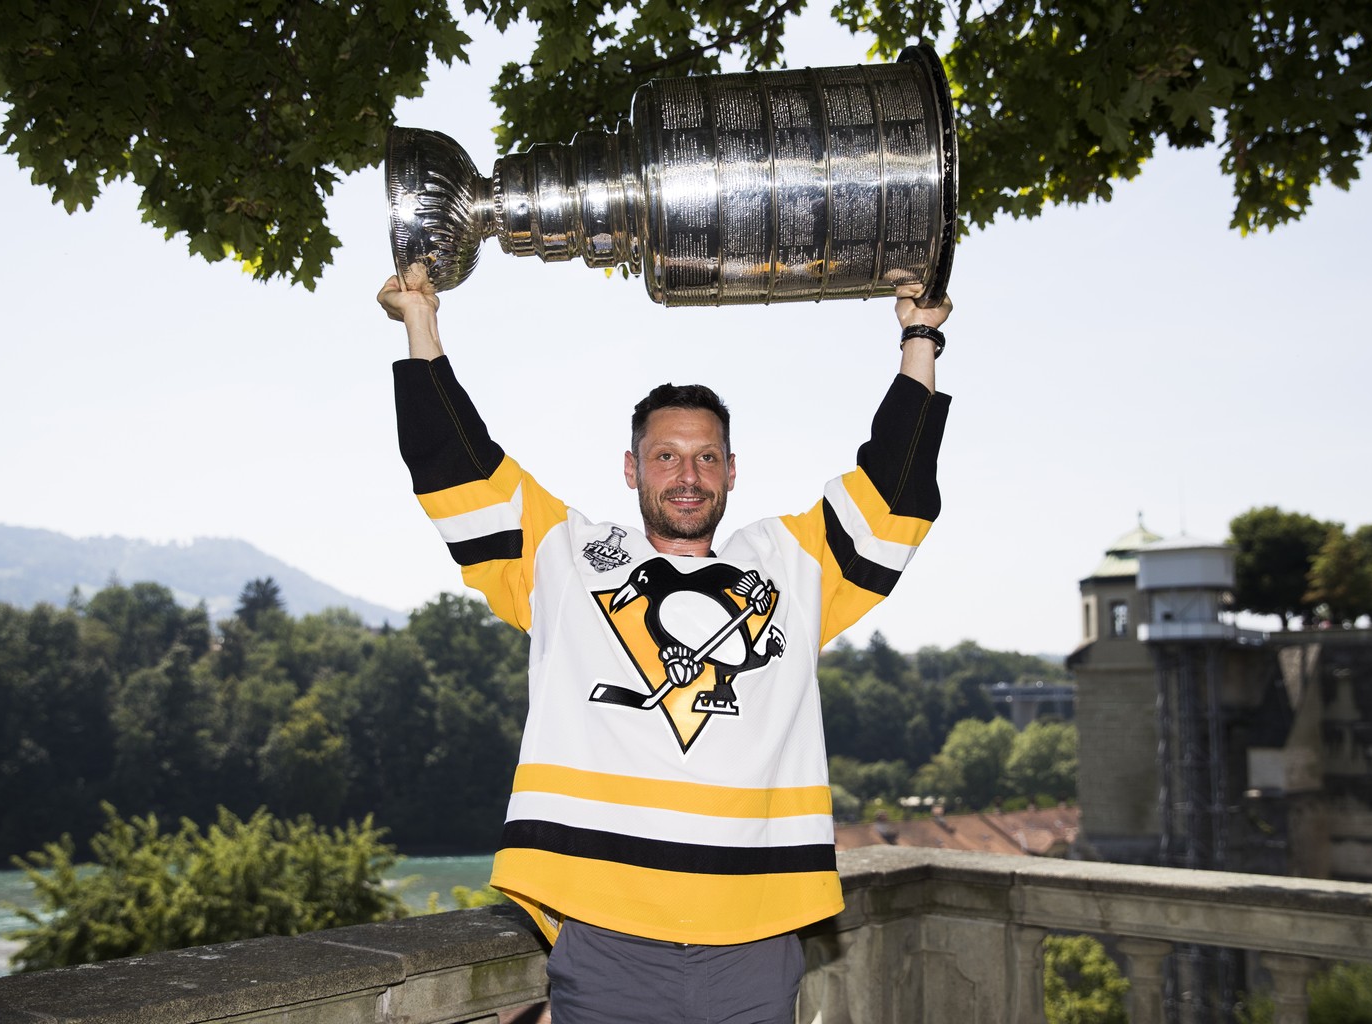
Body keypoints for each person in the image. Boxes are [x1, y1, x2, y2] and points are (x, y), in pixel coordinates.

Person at [377, 263, 952, 1024]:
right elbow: (453, 464)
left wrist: (920, 337)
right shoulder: (565, 555)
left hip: (756, 934)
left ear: (733, 472)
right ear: (631, 468)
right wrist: (421, 322)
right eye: (666, 455)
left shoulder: (792, 565)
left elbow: (896, 489)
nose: (688, 474)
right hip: (607, 930)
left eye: (707, 456)